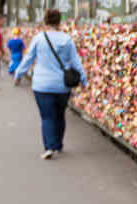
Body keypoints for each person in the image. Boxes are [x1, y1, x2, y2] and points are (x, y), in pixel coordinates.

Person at [15, 8, 86, 159]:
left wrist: (18, 73)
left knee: (47, 117)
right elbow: (76, 61)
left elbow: (28, 58)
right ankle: (58, 144)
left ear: (45, 21)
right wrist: (83, 79)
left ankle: (49, 147)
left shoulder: (39, 38)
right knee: (60, 115)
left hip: (42, 84)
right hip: (62, 85)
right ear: (59, 21)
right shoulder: (66, 39)